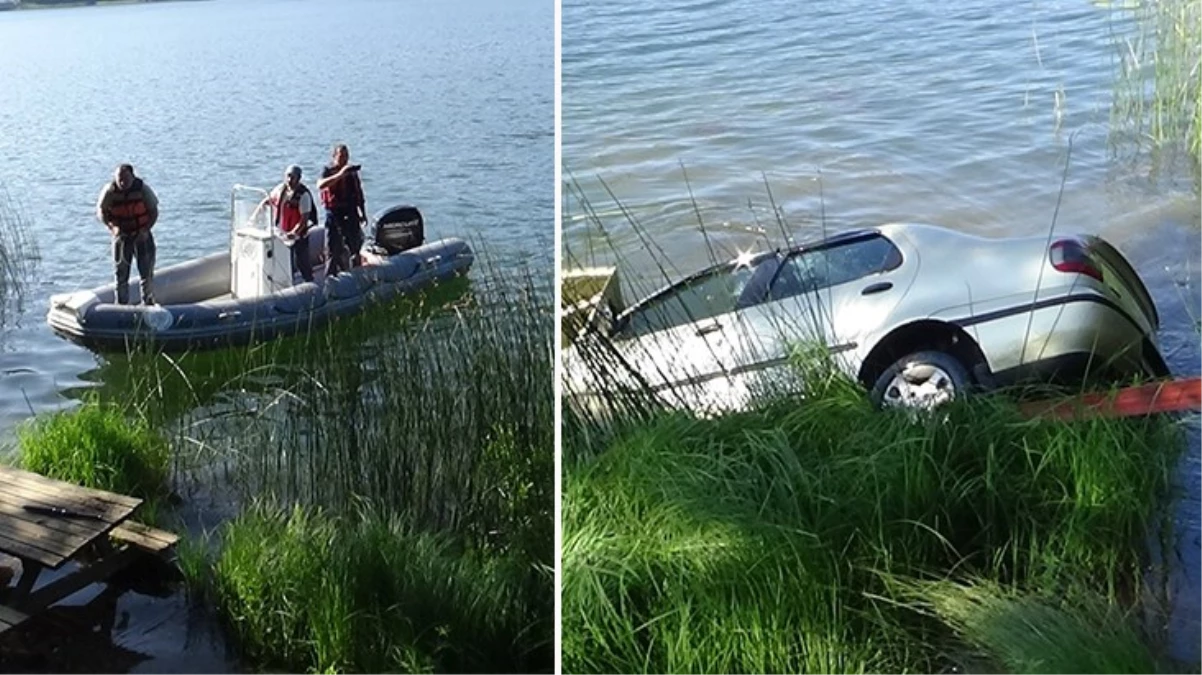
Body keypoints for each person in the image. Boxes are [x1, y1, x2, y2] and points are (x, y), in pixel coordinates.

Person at [96, 163, 158, 305]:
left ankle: (148, 303)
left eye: (126, 179)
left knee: (146, 273)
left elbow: (154, 212)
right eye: (120, 179)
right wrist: (112, 228)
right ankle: (122, 306)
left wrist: (145, 229)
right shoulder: (109, 191)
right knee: (121, 274)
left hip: (142, 236)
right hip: (122, 237)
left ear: (133, 177)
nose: (123, 182)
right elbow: (101, 212)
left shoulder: (143, 190)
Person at [316, 144, 367, 276]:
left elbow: (359, 193)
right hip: (334, 213)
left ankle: (358, 274)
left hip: (350, 211)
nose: (344, 159)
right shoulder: (328, 170)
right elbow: (320, 185)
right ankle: (330, 277)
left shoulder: (352, 171)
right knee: (333, 247)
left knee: (355, 244)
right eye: (341, 156)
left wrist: (363, 212)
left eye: (346, 156)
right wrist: (340, 174)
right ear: (334, 157)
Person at [267, 164, 319, 282]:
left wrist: (293, 233)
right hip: (282, 234)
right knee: (283, 262)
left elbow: (303, 220)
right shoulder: (280, 189)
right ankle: (284, 282)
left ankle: (309, 283)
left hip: (298, 236)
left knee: (302, 263)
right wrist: (255, 215)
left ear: (299, 178)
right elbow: (268, 200)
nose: (290, 180)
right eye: (288, 176)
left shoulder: (304, 195)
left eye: (293, 177)